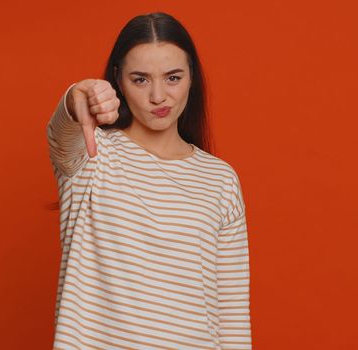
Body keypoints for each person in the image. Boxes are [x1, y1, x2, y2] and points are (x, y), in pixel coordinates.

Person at [46, 12, 252, 350]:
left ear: (192, 79)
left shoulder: (220, 180)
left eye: (173, 77)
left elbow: (231, 317)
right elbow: (61, 133)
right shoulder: (92, 157)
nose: (159, 96)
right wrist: (75, 99)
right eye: (140, 79)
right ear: (119, 81)